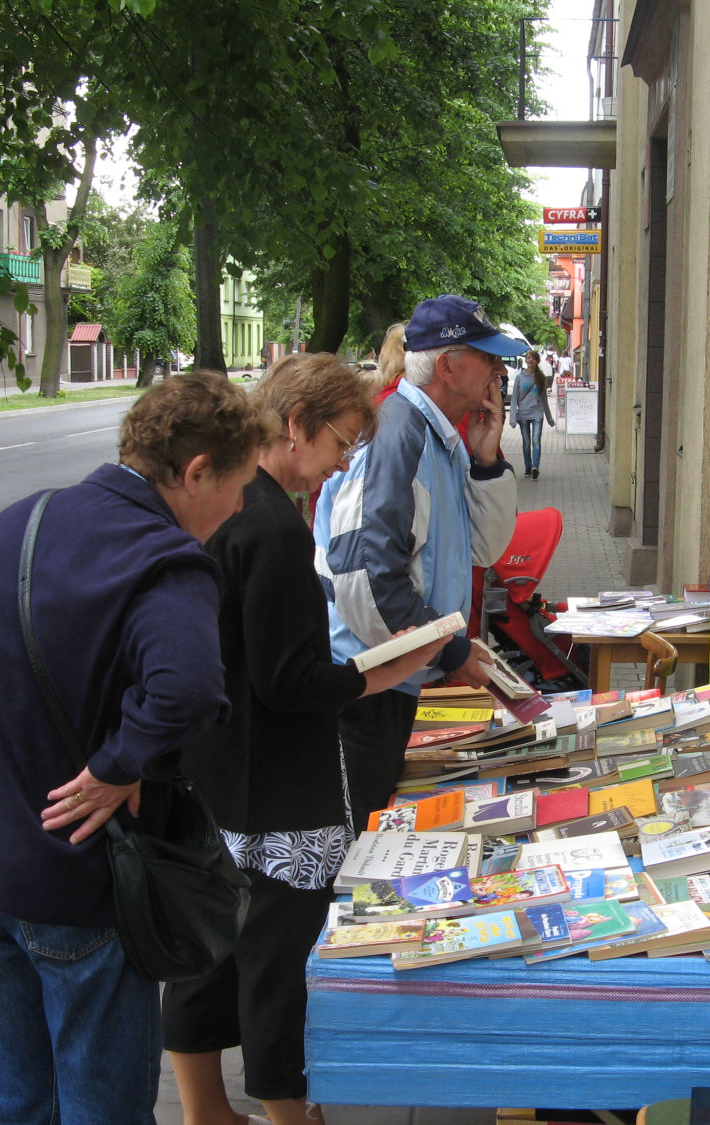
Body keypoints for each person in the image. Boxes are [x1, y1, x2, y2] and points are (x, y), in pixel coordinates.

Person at [0, 370, 268, 1125]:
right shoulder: (167, 559)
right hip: (74, 879)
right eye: (242, 483)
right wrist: (116, 765)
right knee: (103, 1108)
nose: (242, 504)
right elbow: (187, 689)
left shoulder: (16, 524)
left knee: (11, 1104)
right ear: (197, 473)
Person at [163, 354, 447, 1125]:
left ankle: (204, 1110)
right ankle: (292, 1112)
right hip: (278, 787)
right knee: (278, 961)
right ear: (295, 426)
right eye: (341, 443)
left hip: (211, 768)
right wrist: (381, 671)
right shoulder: (274, 527)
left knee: (204, 950)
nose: (341, 464)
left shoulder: (218, 512)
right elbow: (289, 681)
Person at [313, 294, 523, 831]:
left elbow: (481, 548)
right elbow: (368, 577)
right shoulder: (399, 433)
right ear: (448, 367)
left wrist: (487, 459)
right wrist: (450, 650)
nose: (499, 371)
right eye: (487, 357)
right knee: (361, 834)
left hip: (397, 673)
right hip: (368, 684)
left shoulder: (436, 433)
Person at [510, 348, 556, 479]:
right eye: (528, 357)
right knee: (526, 442)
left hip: (537, 413)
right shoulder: (519, 377)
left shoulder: (541, 378)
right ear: (526, 360)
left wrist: (549, 419)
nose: (530, 360)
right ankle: (528, 467)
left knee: (536, 440)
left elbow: (544, 400)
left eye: (533, 358)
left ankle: (535, 466)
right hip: (523, 414)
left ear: (537, 361)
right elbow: (514, 399)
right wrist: (512, 418)